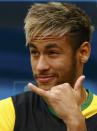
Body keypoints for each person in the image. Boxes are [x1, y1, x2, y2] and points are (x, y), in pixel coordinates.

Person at [0, 2, 97, 131]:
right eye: (34, 52)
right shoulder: (7, 112)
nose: (40, 67)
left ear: (83, 52)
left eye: (52, 53)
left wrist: (75, 122)